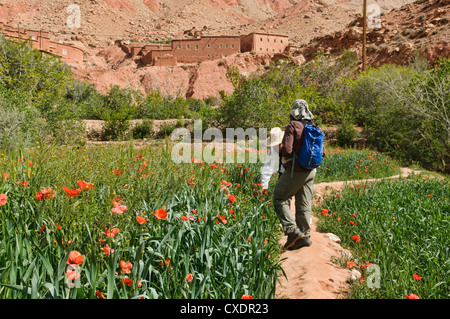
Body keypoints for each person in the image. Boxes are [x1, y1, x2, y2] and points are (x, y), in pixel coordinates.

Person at [273, 99, 324, 250]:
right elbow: (323, 152)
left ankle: (292, 231)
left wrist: (281, 151)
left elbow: (288, 150)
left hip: (297, 170)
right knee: (303, 203)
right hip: (311, 171)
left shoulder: (293, 125)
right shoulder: (314, 127)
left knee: (279, 197)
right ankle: (305, 235)